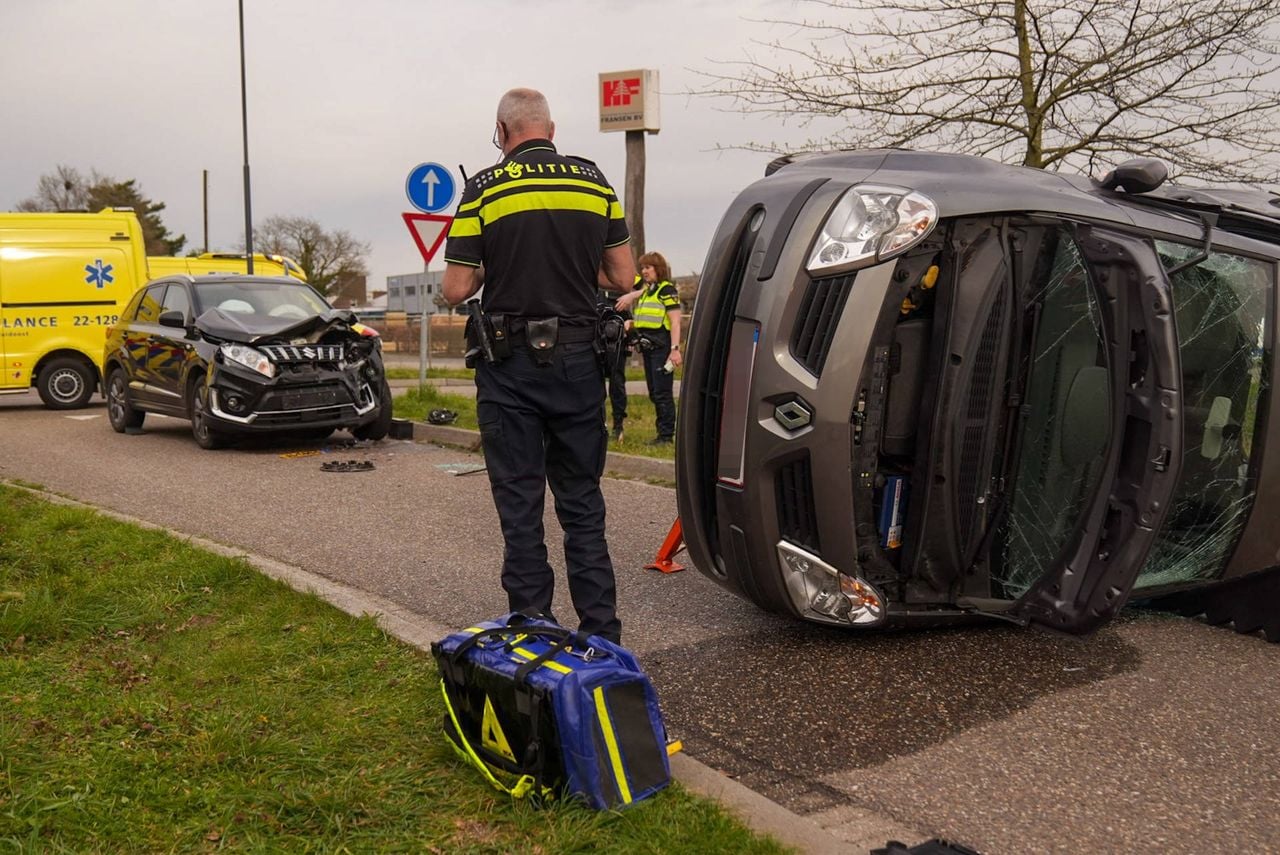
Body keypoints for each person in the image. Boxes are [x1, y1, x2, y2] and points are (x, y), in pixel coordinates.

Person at [441, 88, 635, 643]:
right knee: (582, 504)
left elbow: (456, 289)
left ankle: (533, 634)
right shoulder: (594, 181)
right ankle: (602, 636)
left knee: (520, 505)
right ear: (551, 130)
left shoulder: (483, 187)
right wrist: (570, 267)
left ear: (501, 132)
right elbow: (622, 278)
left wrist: (496, 264)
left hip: (509, 367)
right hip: (579, 362)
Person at [617, 252, 682, 444]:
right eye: (642, 268)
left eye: (648, 267)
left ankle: (666, 435)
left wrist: (675, 350)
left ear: (658, 269)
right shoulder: (648, 291)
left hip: (662, 348)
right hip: (648, 347)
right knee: (654, 392)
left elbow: (675, 322)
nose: (644, 271)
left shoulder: (666, 290)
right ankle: (662, 431)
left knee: (662, 393)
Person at [597, 276, 639, 443]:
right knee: (596, 386)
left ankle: (618, 425)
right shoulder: (591, 286)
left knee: (617, 385)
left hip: (615, 344)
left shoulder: (617, 281)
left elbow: (640, 284)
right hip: (595, 342)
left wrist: (631, 295)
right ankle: (598, 425)